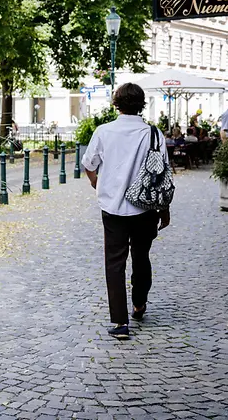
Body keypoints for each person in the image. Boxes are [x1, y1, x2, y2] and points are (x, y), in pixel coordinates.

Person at [81, 84, 171, 340]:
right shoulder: (153, 134)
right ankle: (139, 303)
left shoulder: (104, 131)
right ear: (141, 104)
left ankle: (120, 322)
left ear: (116, 104)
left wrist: (95, 181)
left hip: (113, 207)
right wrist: (164, 209)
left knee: (114, 263)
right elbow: (161, 173)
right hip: (146, 207)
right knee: (141, 257)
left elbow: (89, 163)